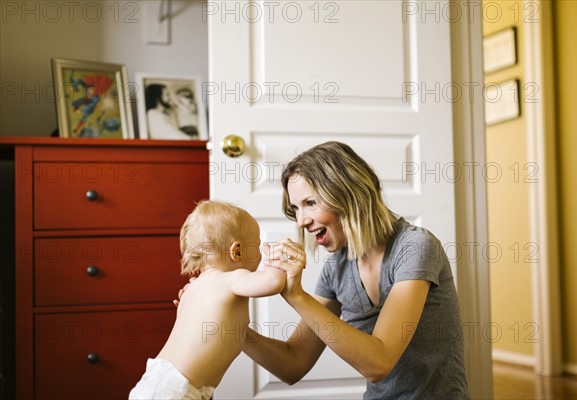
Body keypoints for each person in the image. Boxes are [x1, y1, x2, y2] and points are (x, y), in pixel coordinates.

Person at [240, 141, 470, 399]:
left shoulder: (415, 247)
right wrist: (235, 327)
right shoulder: (337, 267)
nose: (302, 220)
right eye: (296, 208)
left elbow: (379, 362)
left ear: (349, 193)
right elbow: (293, 364)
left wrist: (296, 295)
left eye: (311, 203)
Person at [130, 201, 286, 400]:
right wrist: (277, 259)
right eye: (257, 245)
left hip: (161, 382)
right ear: (237, 251)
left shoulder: (192, 289)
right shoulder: (230, 279)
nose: (261, 252)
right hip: (177, 390)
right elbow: (273, 282)